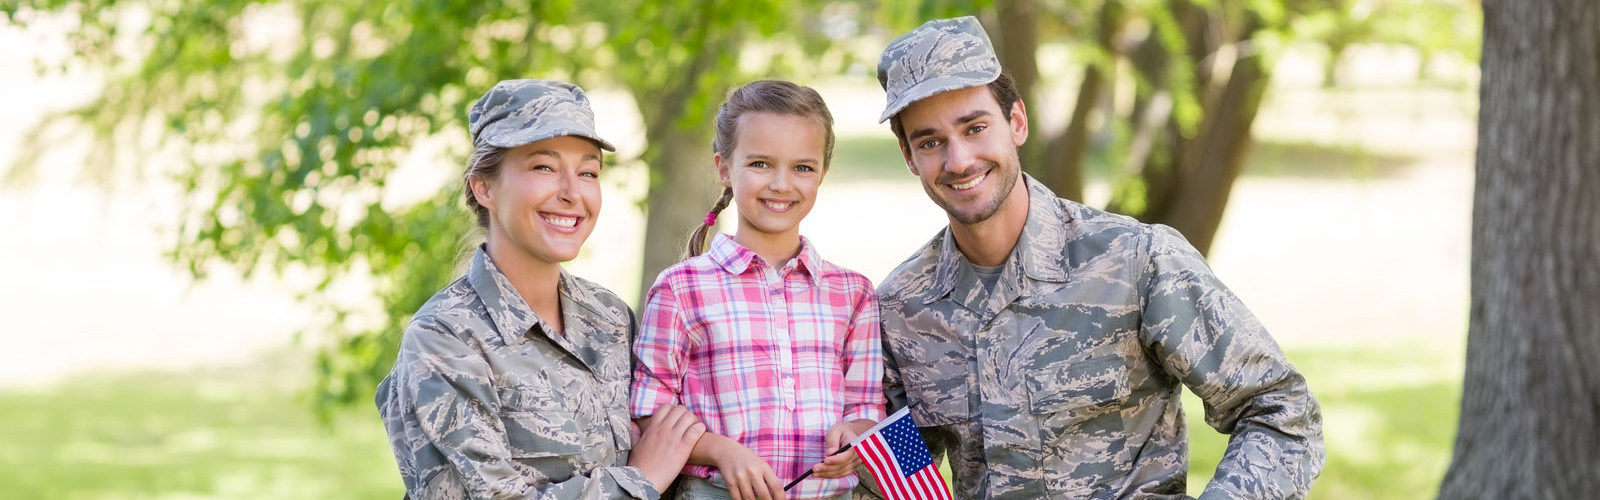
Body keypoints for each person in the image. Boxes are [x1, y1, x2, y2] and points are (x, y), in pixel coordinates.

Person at [868, 17, 1326, 499]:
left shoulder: (1135, 262)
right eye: (930, 141)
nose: (959, 160)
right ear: (908, 156)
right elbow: (899, 472)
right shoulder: (903, 308)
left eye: (975, 127)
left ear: (1017, 122)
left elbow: (1278, 408)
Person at [376, 79, 705, 500]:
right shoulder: (444, 341)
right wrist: (639, 480)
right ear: (484, 187)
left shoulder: (610, 318)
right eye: (544, 168)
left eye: (588, 173)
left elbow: (663, 436)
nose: (572, 193)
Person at [630, 80, 887, 500]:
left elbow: (866, 409)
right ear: (724, 167)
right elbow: (648, 412)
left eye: (802, 167)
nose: (782, 184)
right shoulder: (681, 289)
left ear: (822, 173)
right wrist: (722, 451)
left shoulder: (852, 293)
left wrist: (853, 439)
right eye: (761, 164)